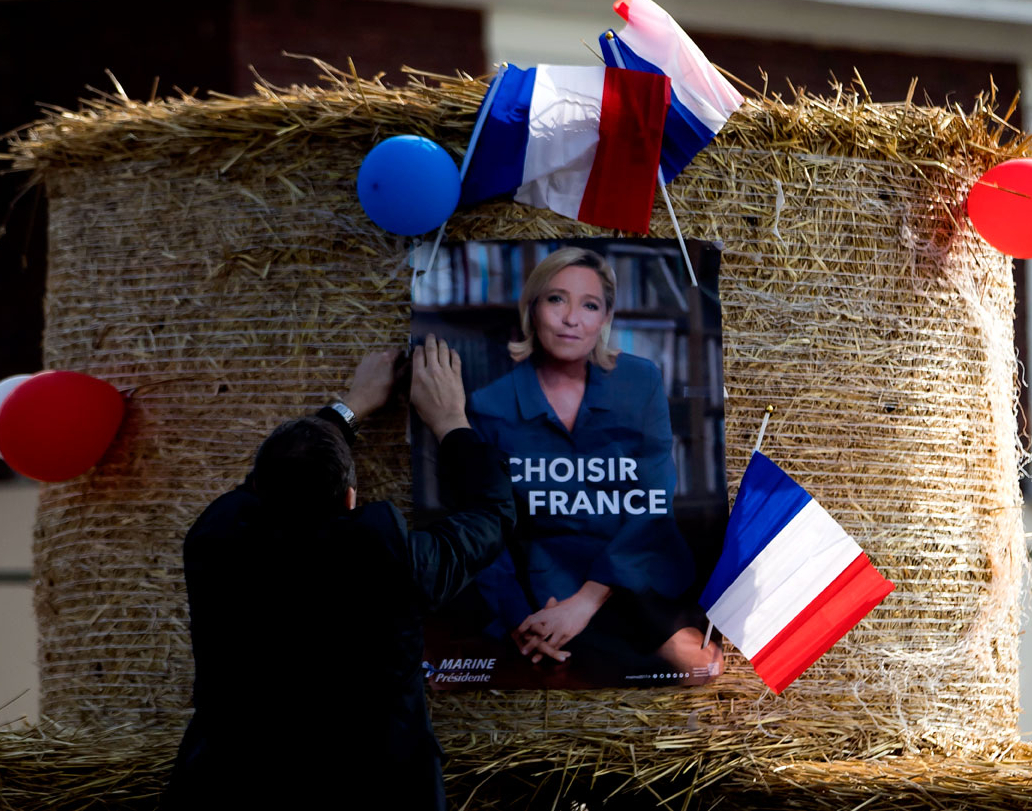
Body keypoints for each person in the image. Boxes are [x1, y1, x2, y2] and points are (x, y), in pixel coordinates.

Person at [163, 335, 515, 811]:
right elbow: (492, 515)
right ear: (351, 498)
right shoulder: (385, 550)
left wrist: (348, 409)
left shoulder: (213, 541)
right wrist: (451, 419)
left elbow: (267, 483)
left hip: (228, 791)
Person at [467, 247, 722, 684]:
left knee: (698, 667)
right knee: (563, 671)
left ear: (605, 318)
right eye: (556, 299)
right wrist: (518, 621)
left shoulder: (640, 380)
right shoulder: (489, 405)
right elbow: (485, 524)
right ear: (532, 309)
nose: (572, 319)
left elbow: (652, 499)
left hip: (639, 570)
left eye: (589, 305)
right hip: (547, 581)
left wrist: (585, 603)